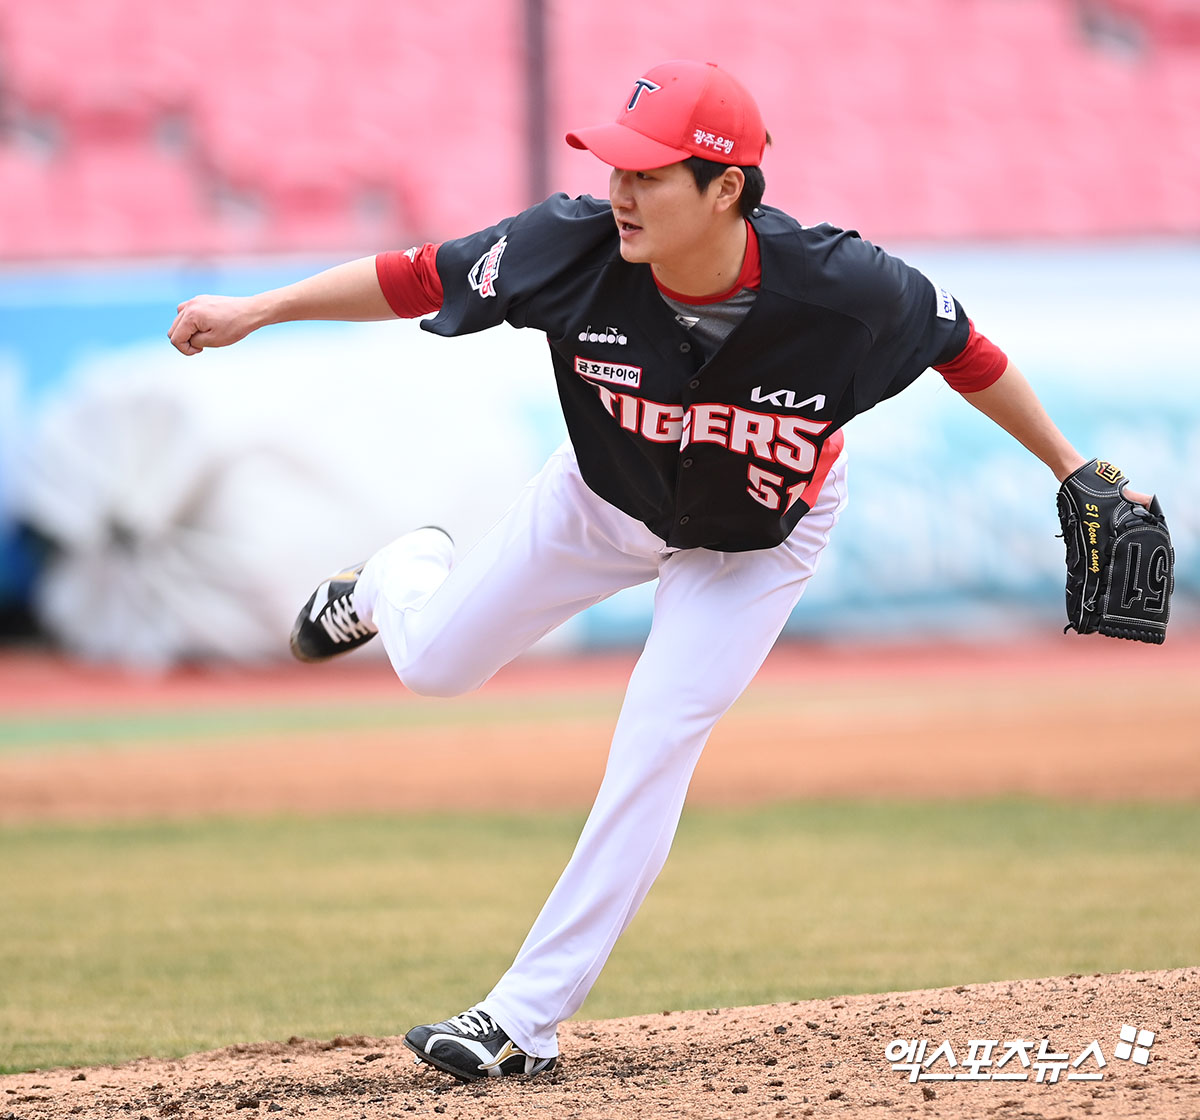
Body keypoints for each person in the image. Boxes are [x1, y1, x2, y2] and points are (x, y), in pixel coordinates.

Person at [168, 59, 1151, 1082]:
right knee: (434, 666)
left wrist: (1074, 467)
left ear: (726, 187)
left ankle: (520, 1020)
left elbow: (966, 346)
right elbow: (421, 272)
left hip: (757, 541)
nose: (619, 193)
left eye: (648, 174)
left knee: (655, 738)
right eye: (614, 167)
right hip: (600, 500)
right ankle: (394, 578)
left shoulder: (844, 287)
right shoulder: (567, 246)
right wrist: (261, 307)